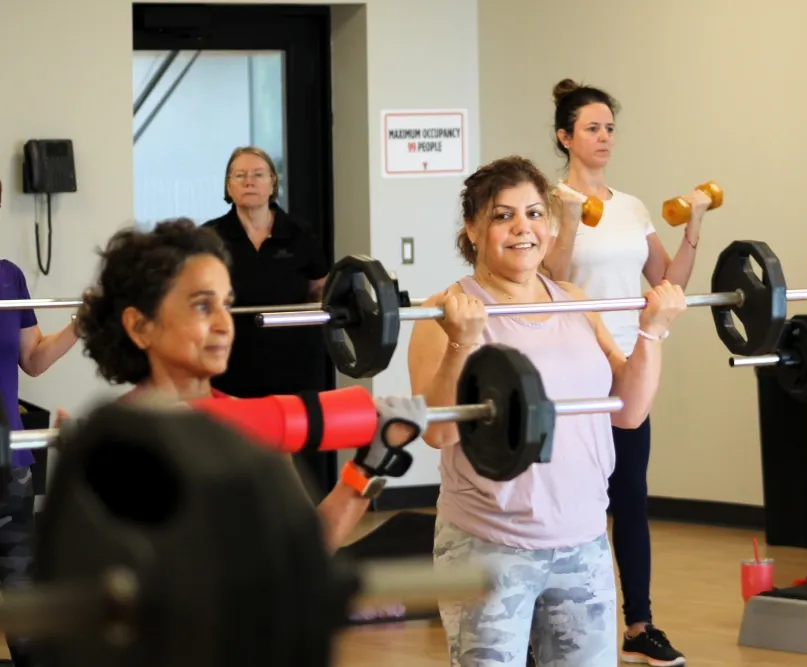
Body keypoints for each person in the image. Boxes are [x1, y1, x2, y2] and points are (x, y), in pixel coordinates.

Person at [407, 155, 687, 667]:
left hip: (583, 542)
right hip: (487, 545)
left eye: (535, 214)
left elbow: (628, 410)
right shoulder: (443, 311)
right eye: (502, 215)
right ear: (471, 229)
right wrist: (459, 345)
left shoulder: (572, 302)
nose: (523, 229)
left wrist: (653, 331)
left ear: (552, 225)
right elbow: (438, 435)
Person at [75, 218, 426, 551]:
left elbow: (307, 548)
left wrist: (372, 462)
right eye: (201, 306)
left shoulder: (258, 424)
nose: (224, 324)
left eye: (226, 305)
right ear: (140, 326)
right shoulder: (121, 438)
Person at [539, 78, 711, 666]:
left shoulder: (632, 207)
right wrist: (564, 220)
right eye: (592, 127)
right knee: (572, 499)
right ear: (565, 136)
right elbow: (551, 281)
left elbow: (669, 283)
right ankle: (550, 628)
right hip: (573, 369)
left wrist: (695, 224)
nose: (604, 136)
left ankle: (639, 626)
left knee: (630, 497)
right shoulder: (548, 203)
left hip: (630, 367)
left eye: (610, 127)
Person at [202, 147, 333, 490]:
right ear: (228, 186)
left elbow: (321, 290)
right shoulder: (209, 238)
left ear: (273, 183)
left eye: (258, 174)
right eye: (239, 175)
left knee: (301, 465)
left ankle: (306, 535)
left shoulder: (300, 234)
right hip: (232, 367)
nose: (249, 181)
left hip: (295, 365)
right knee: (234, 462)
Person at [0, 177, 79, 667]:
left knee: (22, 592)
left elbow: (32, 358)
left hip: (11, 461)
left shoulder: (9, 276)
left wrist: (79, 325)